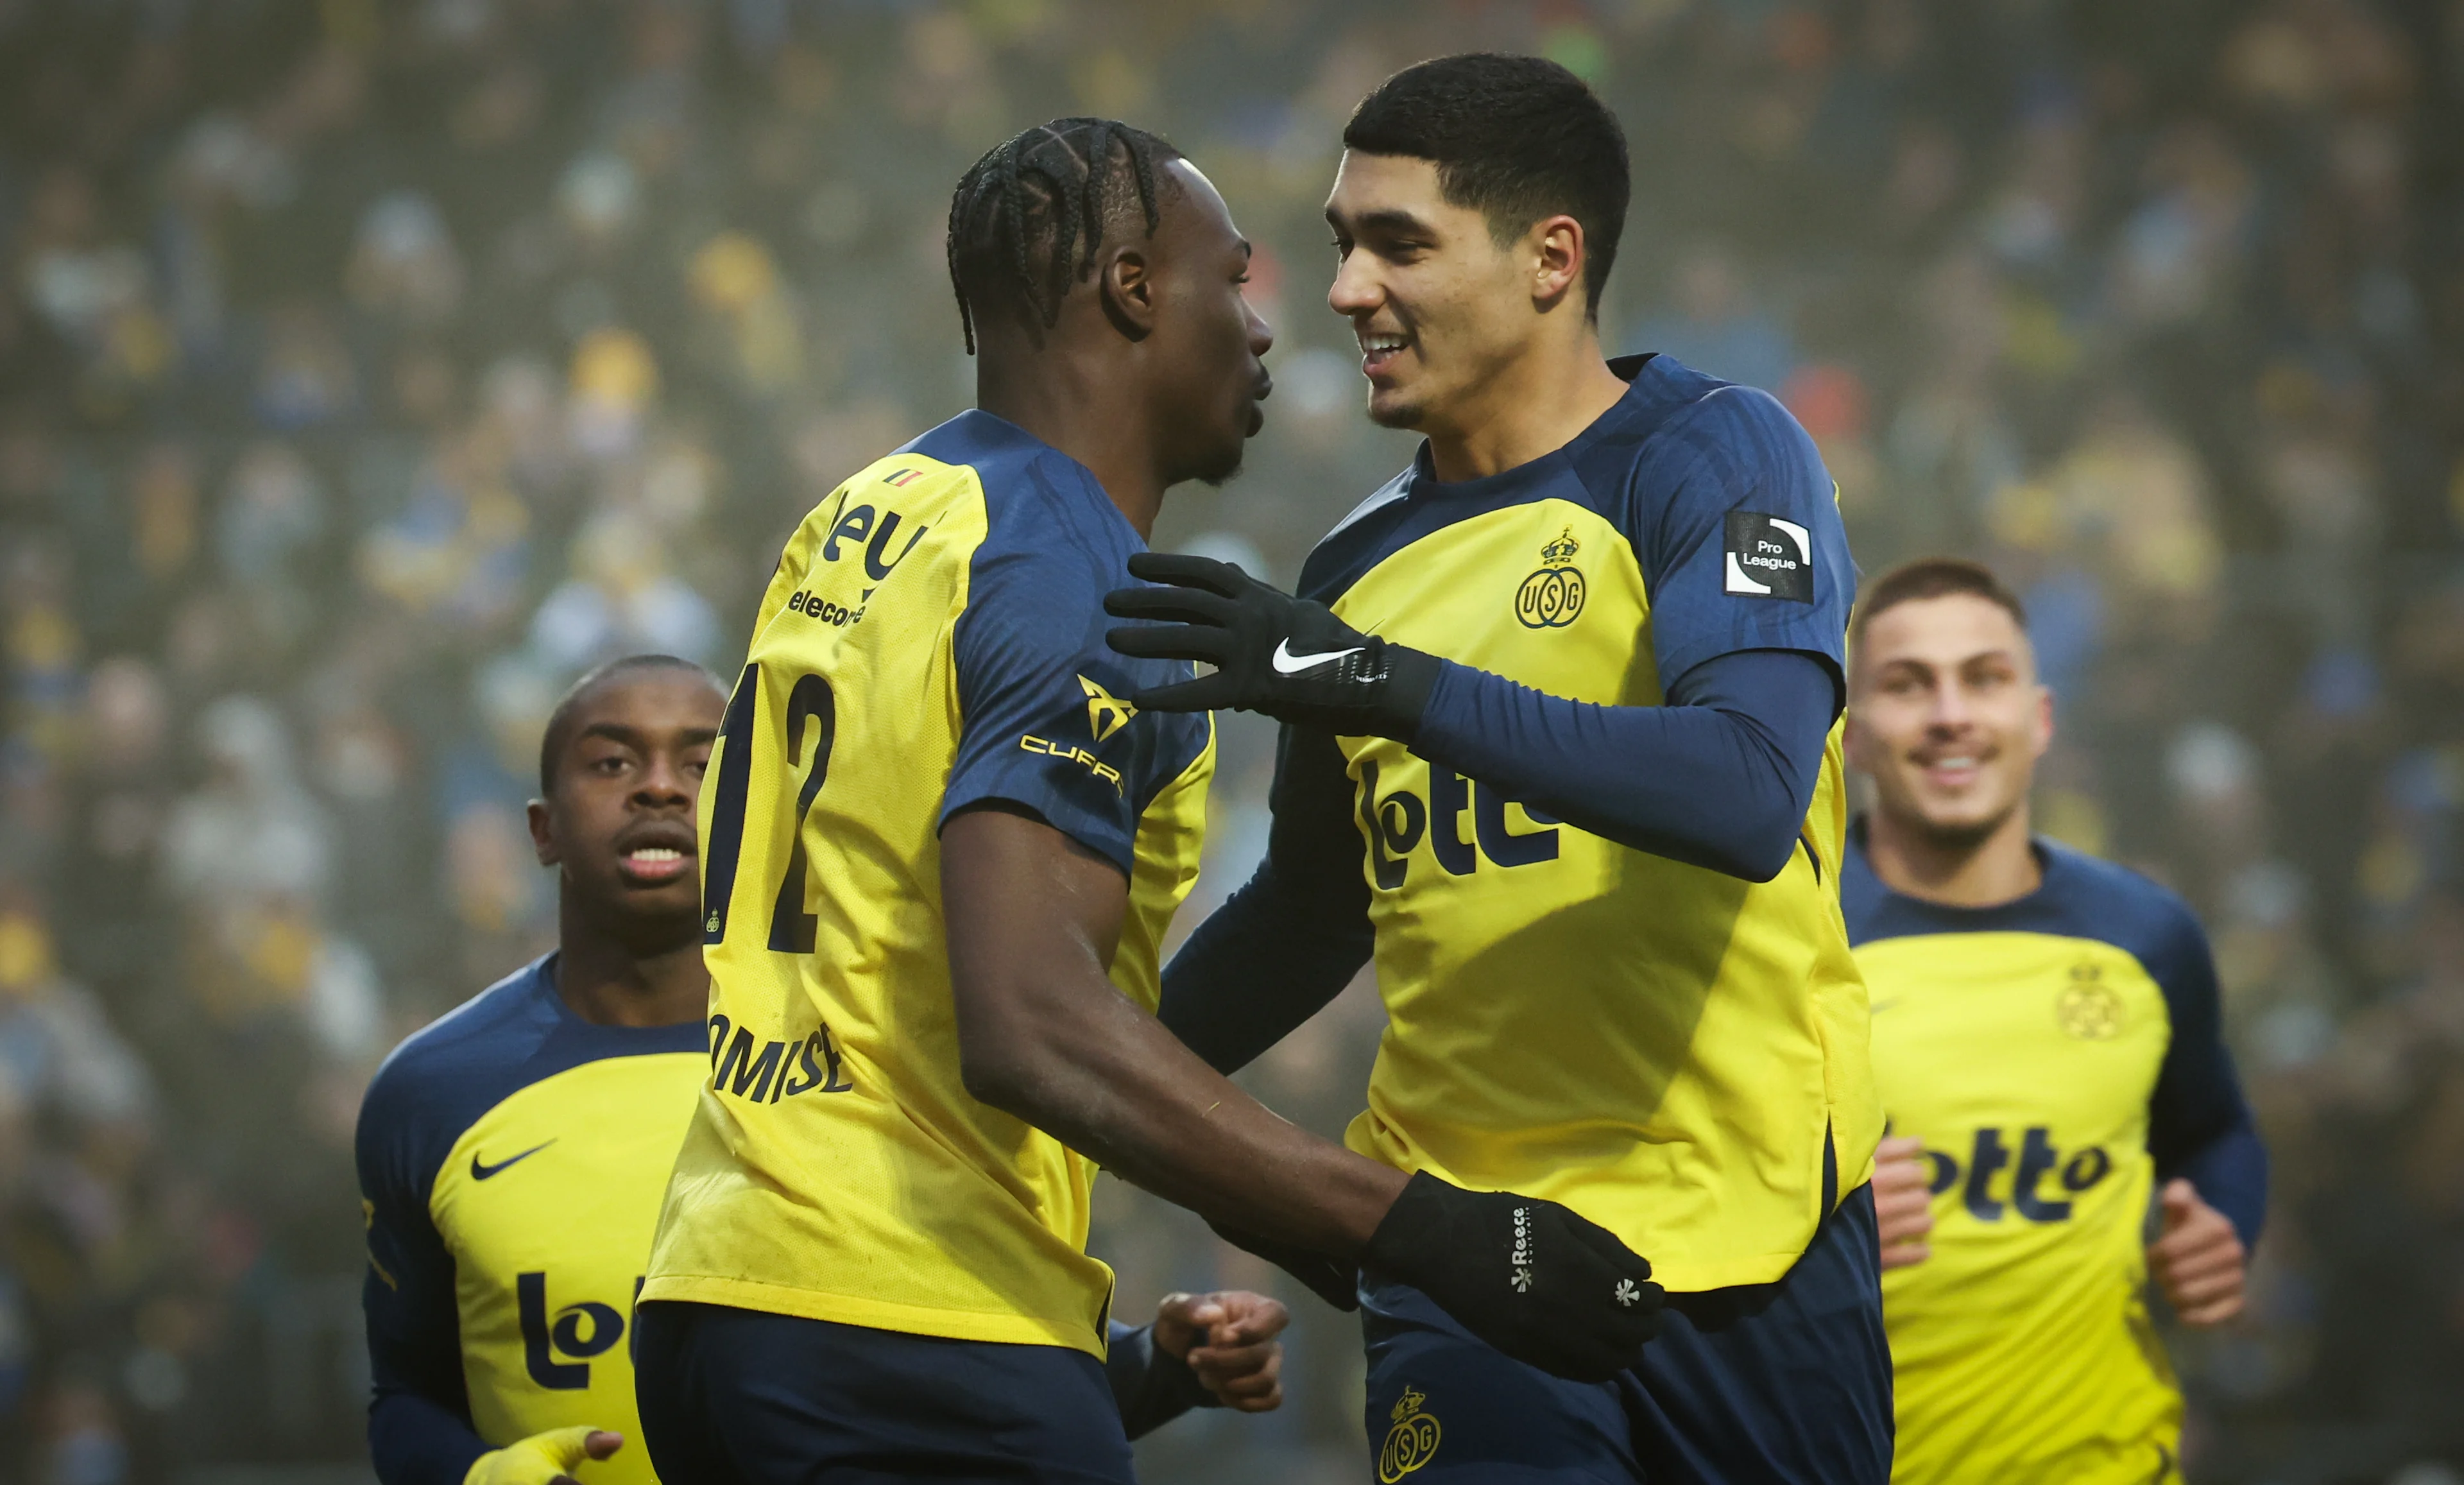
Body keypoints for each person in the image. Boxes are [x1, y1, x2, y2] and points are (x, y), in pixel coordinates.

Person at [631, 117, 1661, 1485]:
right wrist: (1422, 1229)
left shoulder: (872, 511)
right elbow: (1033, 1024)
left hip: (719, 1289)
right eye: (1232, 284)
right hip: (919, 1324)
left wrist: (1284, 1210)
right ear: (1131, 290)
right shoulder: (1069, 568)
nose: (1263, 331)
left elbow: (924, 995)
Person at [1110, 55, 1888, 1485]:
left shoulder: (1712, 454)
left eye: (1399, 244)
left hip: (1755, 1227)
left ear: (1550, 259)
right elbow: (1308, 913)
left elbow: (1743, 790)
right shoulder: (1351, 567)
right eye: (1344, 244)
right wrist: (1075, 1063)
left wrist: (1366, 681)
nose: (1346, 292)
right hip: (1469, 1247)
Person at [355, 656, 1293, 1485]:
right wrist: (479, 1473)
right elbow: (402, 1399)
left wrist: (1158, 1366)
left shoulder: (886, 1052)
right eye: (612, 762)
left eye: (702, 762)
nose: (660, 790)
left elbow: (935, 1404)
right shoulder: (434, 1092)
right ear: (542, 827)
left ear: (759, 809)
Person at [1840, 558, 2266, 1484]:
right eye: (1909, 684)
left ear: (2038, 721)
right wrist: (1813, 1218)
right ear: (1856, 735)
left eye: (1984, 678)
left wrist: (2221, 1226)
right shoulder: (1784, 943)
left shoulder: (2148, 935)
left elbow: (2216, 1129)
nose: (1951, 713)